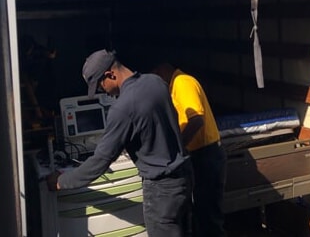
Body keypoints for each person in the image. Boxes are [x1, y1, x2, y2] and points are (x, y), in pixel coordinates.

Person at [46, 49, 193, 237]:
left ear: (111, 74)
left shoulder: (123, 107)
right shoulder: (156, 82)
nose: (102, 91)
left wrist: (61, 181)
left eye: (100, 86)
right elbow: (162, 123)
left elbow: (100, 161)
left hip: (161, 189)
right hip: (184, 176)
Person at [152, 63, 227, 237]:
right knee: (199, 212)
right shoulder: (172, 88)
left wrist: (178, 148)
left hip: (207, 155)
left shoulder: (182, 82)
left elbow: (196, 120)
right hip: (198, 155)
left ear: (161, 69)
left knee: (209, 215)